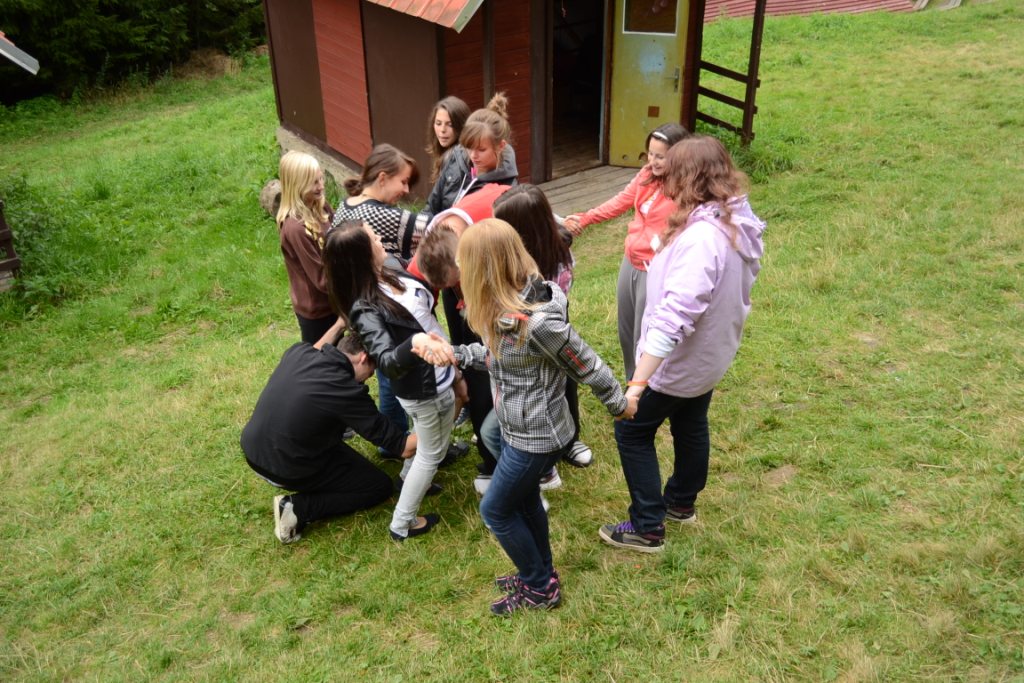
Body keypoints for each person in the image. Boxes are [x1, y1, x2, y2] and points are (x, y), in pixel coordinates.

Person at [415, 220, 637, 615]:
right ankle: (542, 573)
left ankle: (538, 587)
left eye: (465, 264)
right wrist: (456, 354)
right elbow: (497, 357)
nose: (460, 272)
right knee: (525, 500)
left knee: (496, 509)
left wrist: (619, 404)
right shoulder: (506, 307)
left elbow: (586, 363)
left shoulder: (538, 323)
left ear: (485, 268)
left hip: (537, 436)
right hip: (516, 426)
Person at [599, 135, 765, 553]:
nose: (663, 179)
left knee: (631, 431)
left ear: (688, 178)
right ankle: (680, 502)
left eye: (671, 173)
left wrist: (637, 384)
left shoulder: (702, 240)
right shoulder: (731, 220)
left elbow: (674, 317)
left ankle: (647, 526)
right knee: (691, 421)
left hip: (680, 362)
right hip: (709, 357)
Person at [323, 221, 459, 541]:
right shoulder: (364, 308)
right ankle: (402, 523)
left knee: (428, 444)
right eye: (373, 238)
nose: (380, 238)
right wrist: (415, 344)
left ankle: (407, 480)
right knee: (430, 453)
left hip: (435, 378)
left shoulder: (389, 271)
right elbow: (386, 361)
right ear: (362, 255)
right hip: (423, 389)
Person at [241, 324, 416, 544]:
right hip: (286, 466)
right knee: (377, 486)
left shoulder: (300, 352)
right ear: (363, 358)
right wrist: (443, 420)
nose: (369, 378)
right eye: (371, 371)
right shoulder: (347, 392)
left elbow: (319, 345)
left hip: (254, 449)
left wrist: (339, 324)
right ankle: (298, 508)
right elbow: (404, 447)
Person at [564, 122, 690, 379]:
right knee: (626, 329)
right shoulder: (646, 175)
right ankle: (632, 380)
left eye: (660, 157)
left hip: (654, 267)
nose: (652, 161)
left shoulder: (685, 190)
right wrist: (585, 218)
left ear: (678, 156)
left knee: (645, 333)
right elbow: (620, 201)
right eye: (650, 153)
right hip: (631, 261)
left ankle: (645, 386)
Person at [492, 184, 591, 473]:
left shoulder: (557, 256)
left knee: (562, 378)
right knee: (525, 387)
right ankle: (521, 438)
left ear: (522, 230)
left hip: (547, 324)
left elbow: (555, 302)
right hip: (512, 330)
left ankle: (569, 439)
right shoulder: (502, 252)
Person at [276, 151, 336, 343]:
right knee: (320, 357)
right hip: (317, 311)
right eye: (314, 182)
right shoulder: (295, 229)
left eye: (321, 178)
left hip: (334, 299)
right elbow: (321, 279)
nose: (321, 186)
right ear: (297, 185)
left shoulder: (321, 206)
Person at [331, 144, 430, 261]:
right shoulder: (382, 215)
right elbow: (436, 229)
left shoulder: (345, 205)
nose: (406, 190)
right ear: (382, 178)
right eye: (403, 182)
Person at [424, 95, 471, 216]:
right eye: (438, 123)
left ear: (461, 126)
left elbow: (446, 208)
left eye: (450, 124)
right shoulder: (448, 154)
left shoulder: (457, 157)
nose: (442, 130)